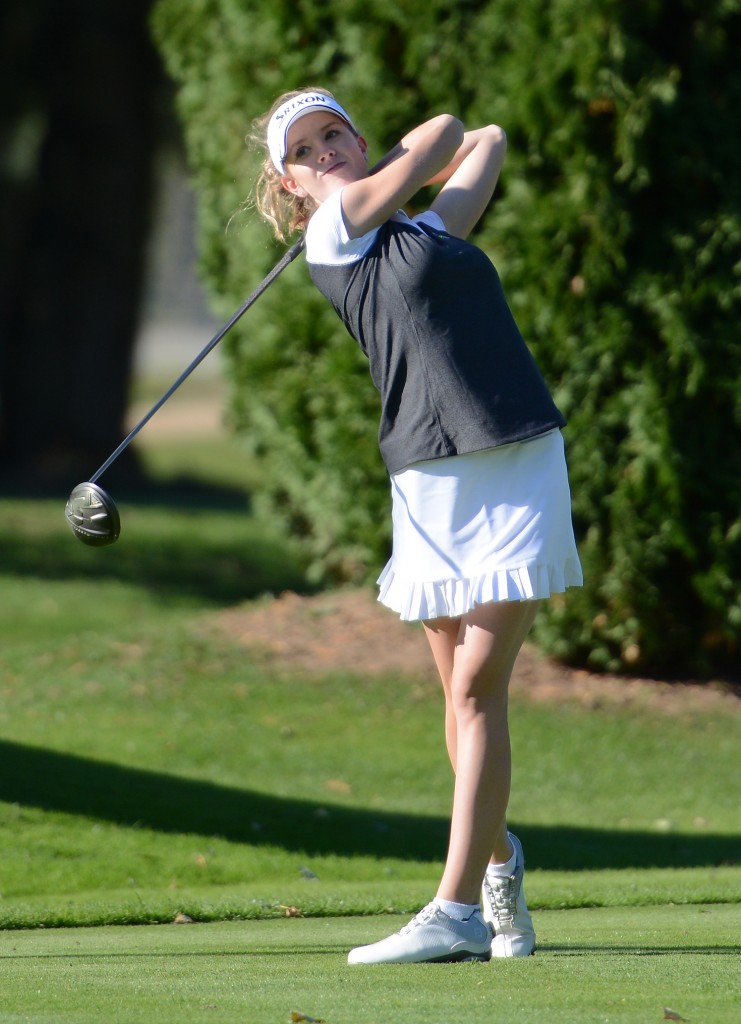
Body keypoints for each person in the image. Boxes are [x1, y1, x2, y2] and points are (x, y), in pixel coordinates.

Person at [249, 88, 583, 965]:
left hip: (514, 459)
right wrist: (403, 158)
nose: (325, 152)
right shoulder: (334, 233)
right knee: (458, 700)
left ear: (359, 139)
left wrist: (421, 157)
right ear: (289, 186)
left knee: (475, 690)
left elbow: (487, 135)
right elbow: (439, 135)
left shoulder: (429, 232)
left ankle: (457, 910)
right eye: (305, 151)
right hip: (428, 481)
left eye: (334, 135)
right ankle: (499, 863)